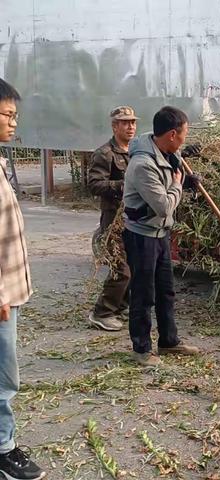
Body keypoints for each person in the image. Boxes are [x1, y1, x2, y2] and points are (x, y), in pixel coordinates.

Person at [123, 106, 200, 366]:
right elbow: (164, 206)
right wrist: (179, 185)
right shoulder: (143, 165)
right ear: (170, 134)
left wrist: (182, 159)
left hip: (161, 232)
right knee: (144, 294)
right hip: (142, 235)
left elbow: (174, 157)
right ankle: (141, 349)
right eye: (183, 135)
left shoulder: (164, 149)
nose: (183, 140)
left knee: (166, 291)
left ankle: (168, 342)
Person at [0, 78, 46, 480]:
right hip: (0, 295)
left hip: (8, 289)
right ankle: (4, 449)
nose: (14, 123)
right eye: (8, 115)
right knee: (3, 374)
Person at [87, 106, 138, 331]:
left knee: (134, 266)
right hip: (113, 219)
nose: (130, 127)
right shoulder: (105, 153)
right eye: (125, 122)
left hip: (132, 217)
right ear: (114, 126)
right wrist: (121, 185)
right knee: (121, 269)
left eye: (133, 122)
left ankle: (119, 307)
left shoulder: (136, 150)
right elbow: (94, 185)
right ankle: (102, 312)